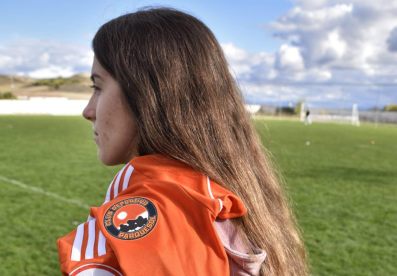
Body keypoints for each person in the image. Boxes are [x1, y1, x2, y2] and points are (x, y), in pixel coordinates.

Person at [57, 7, 308, 276]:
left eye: (98, 87)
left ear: (145, 93)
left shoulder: (161, 203)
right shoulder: (216, 186)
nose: (88, 111)